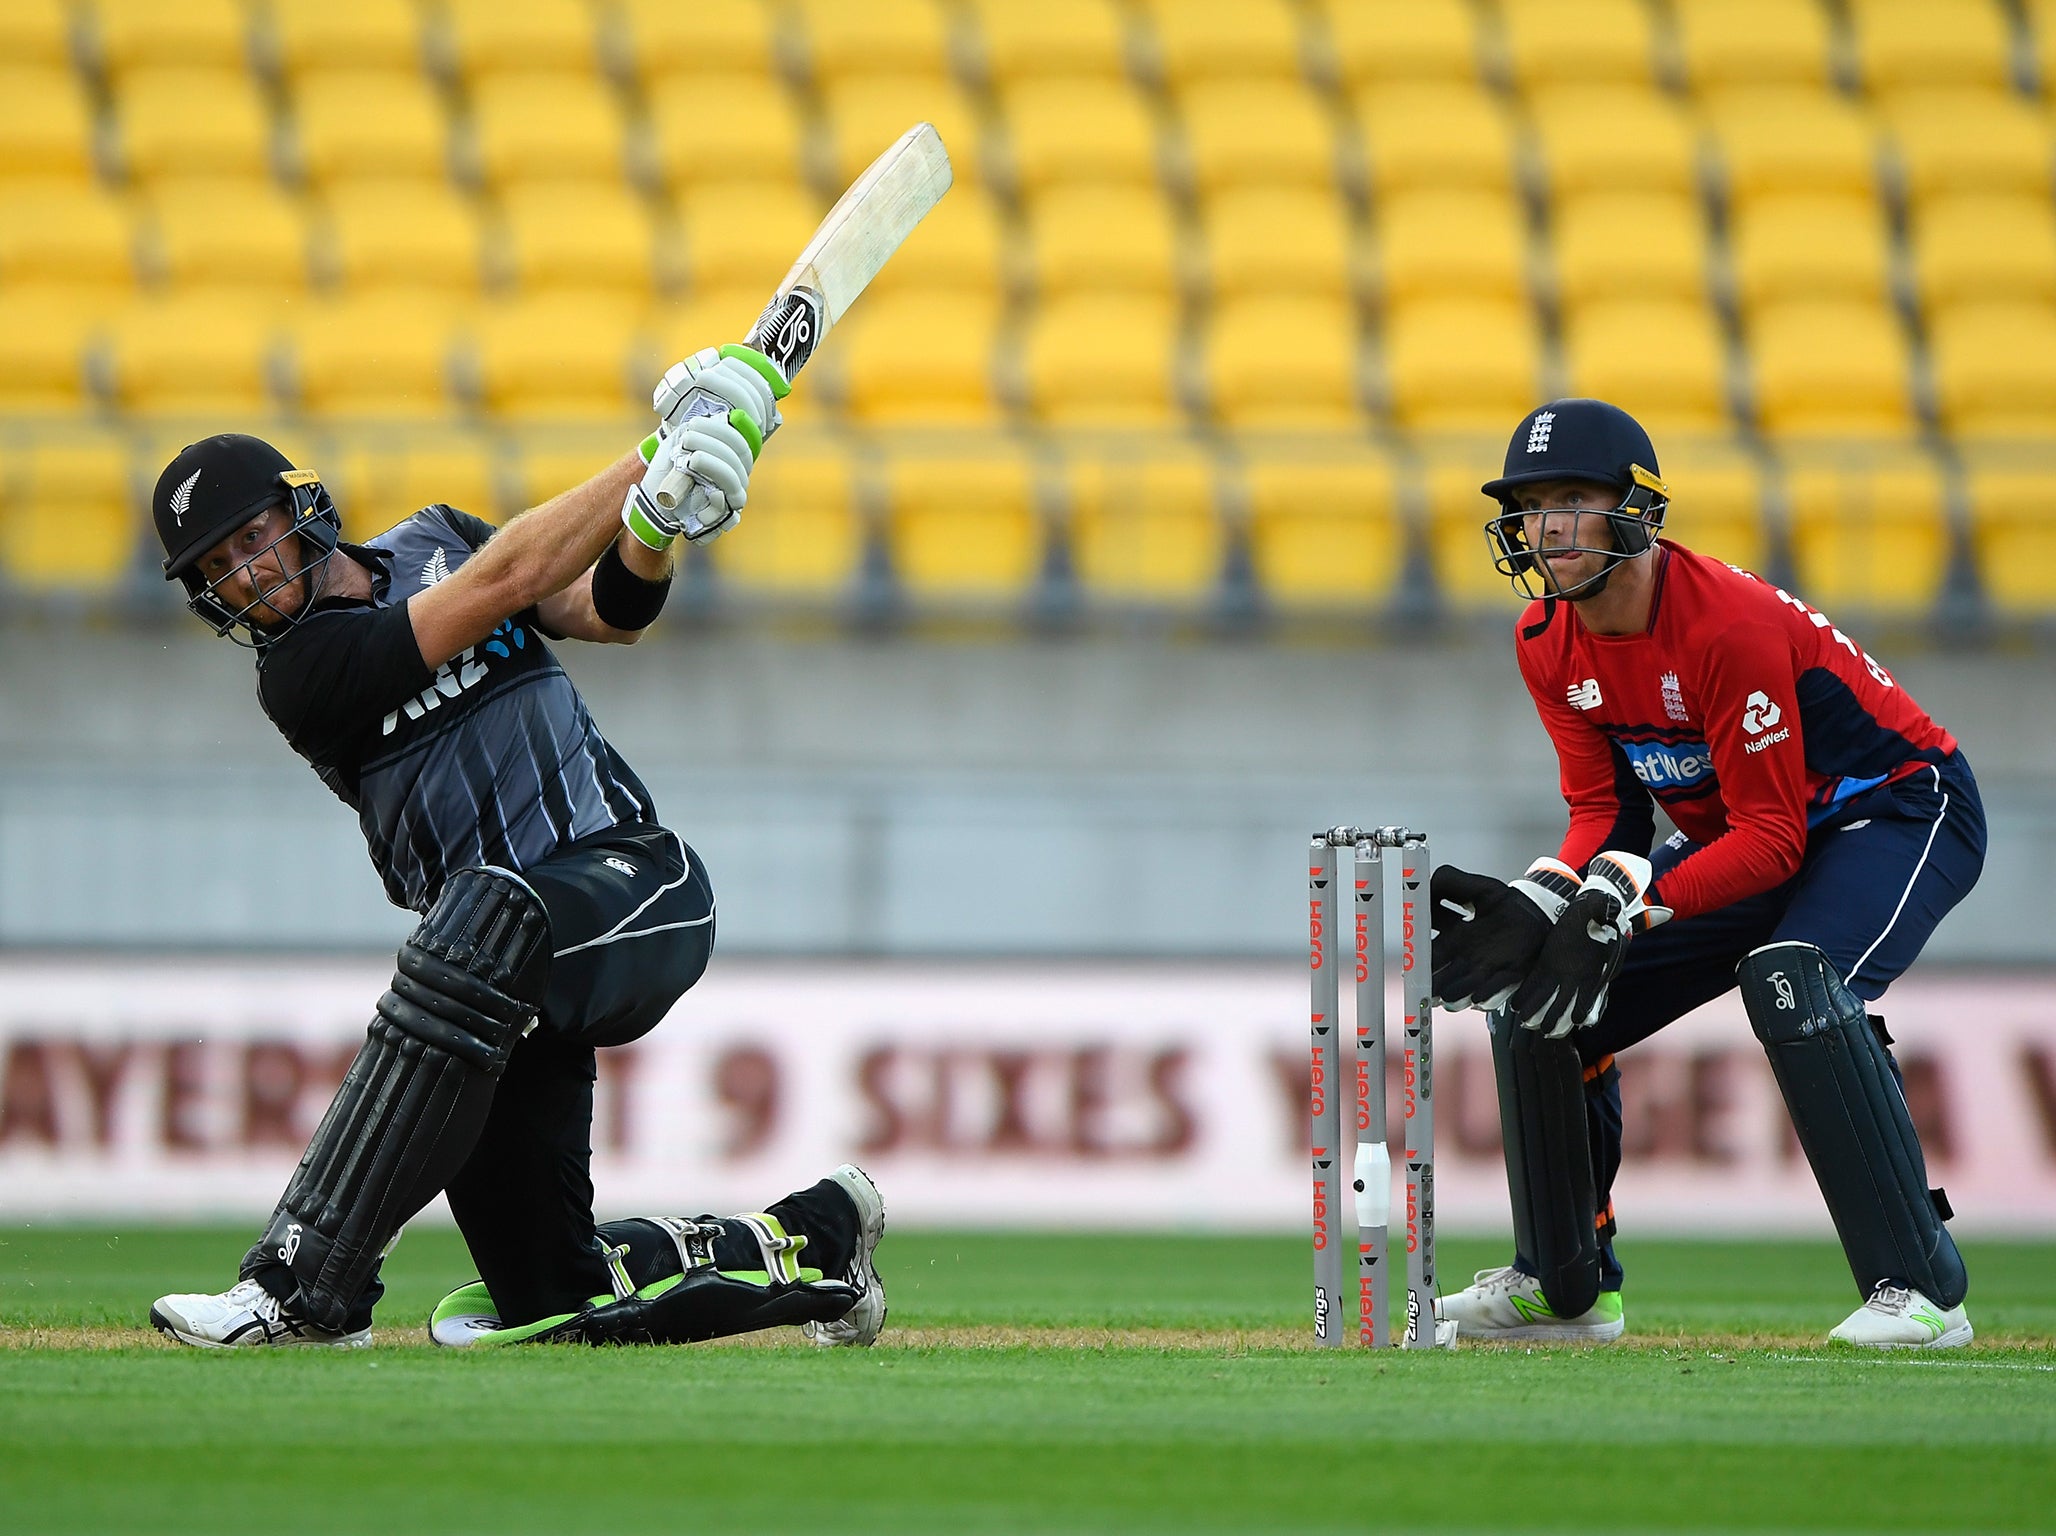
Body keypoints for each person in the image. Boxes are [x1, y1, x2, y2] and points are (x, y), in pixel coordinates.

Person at [145, 344, 888, 1349]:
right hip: (490, 980)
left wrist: (657, 525)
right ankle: (818, 1234)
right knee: (552, 1297)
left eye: (250, 540)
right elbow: (513, 576)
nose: (243, 575)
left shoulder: (435, 536)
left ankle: (302, 1287)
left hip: (632, 886)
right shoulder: (301, 675)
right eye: (216, 570)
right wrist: (654, 453)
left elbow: (602, 610)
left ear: (298, 510)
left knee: (481, 916)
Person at [1427, 399, 1983, 1350]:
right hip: (1755, 827)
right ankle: (1565, 1291)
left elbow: (1772, 839)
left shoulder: (1725, 625)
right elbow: (1605, 814)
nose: (1547, 528)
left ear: (1638, 511)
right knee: (1536, 1001)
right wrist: (1546, 896)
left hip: (1895, 805)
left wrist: (1626, 905)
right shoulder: (1544, 643)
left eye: (1572, 500)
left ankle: (1921, 1289)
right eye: (1531, 505)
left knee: (1795, 975)